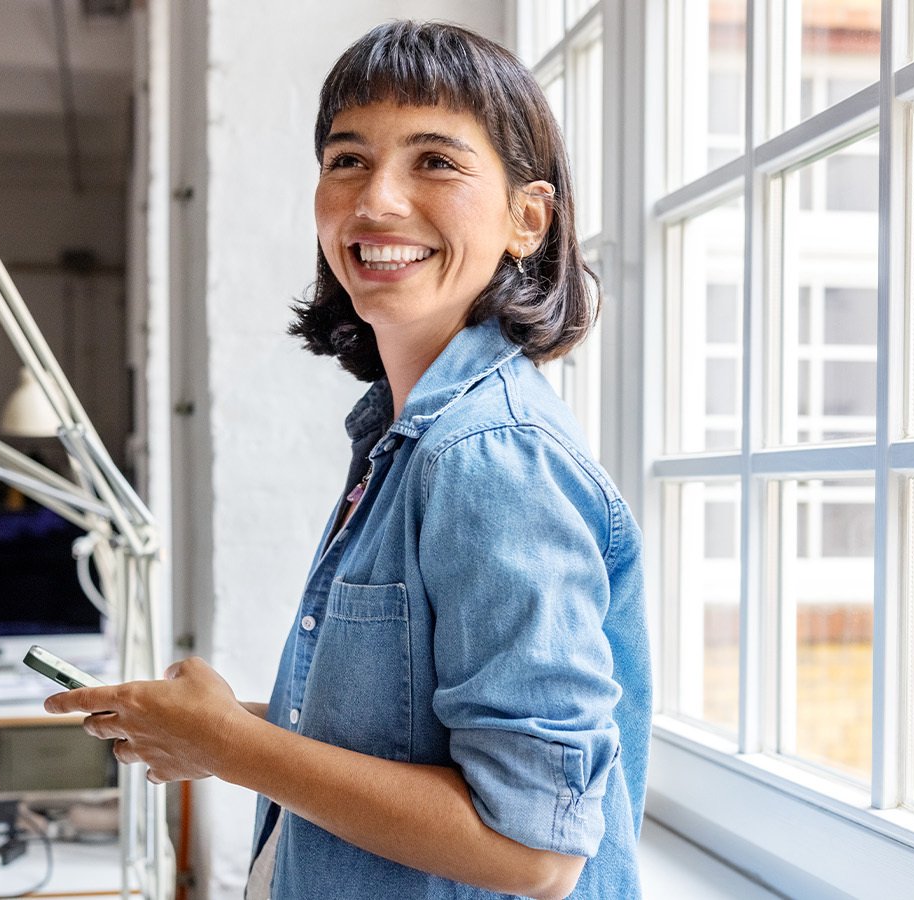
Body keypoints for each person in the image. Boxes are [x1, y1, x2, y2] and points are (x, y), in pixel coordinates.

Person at [44, 20, 650, 900]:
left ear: (528, 219)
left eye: (435, 161)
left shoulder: (490, 457)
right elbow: (412, 741)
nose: (377, 203)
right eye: (347, 160)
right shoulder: (405, 441)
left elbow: (534, 851)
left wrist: (230, 746)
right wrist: (211, 727)